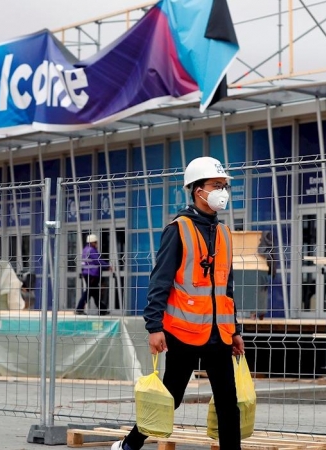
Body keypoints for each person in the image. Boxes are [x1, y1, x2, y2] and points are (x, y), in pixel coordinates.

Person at [112, 156, 244, 450]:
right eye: (216, 185)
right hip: (183, 331)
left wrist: (234, 329)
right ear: (198, 190)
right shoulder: (178, 229)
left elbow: (227, 287)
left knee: (227, 401)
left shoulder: (224, 233)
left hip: (218, 334)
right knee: (170, 395)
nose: (223, 191)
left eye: (224, 185)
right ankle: (130, 445)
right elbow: (160, 282)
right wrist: (154, 326)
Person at [76, 234, 111, 315]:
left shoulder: (85, 249)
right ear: (92, 242)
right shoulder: (91, 250)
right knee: (89, 292)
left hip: (87, 273)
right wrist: (107, 266)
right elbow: (98, 260)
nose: (96, 244)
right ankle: (80, 308)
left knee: (94, 292)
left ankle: (102, 310)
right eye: (95, 242)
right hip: (92, 274)